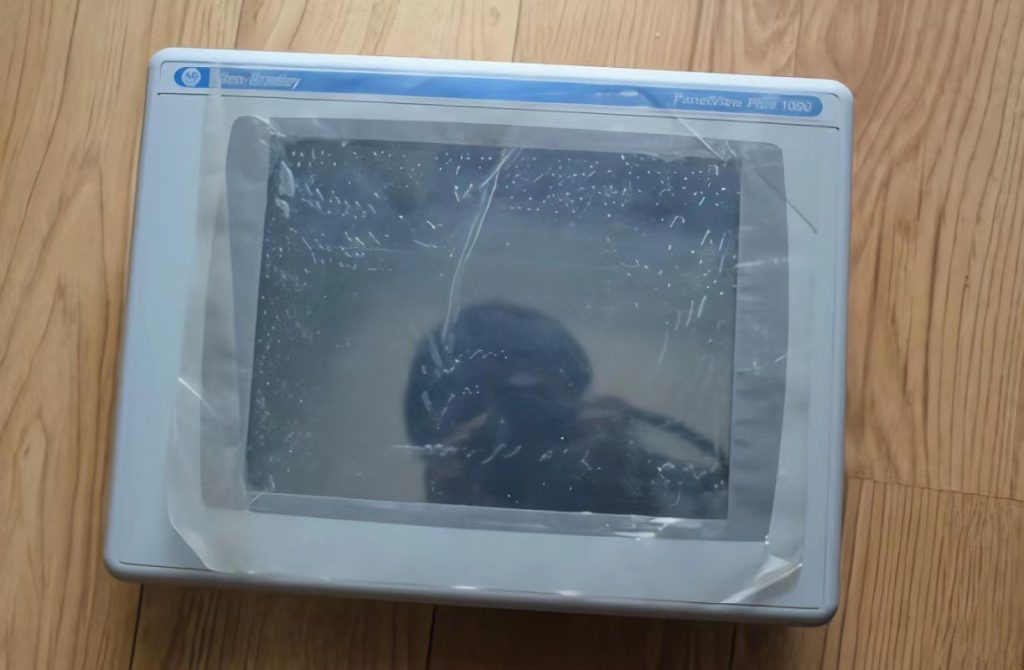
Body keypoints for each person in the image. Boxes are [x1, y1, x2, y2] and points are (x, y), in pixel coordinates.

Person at [403, 301, 727, 518]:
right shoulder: (444, 503)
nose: (514, 430)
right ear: (438, 447)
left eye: (535, 401)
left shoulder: (621, 465)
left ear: (577, 410)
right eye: (477, 410)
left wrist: (633, 486)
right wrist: (446, 521)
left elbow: (723, 523)